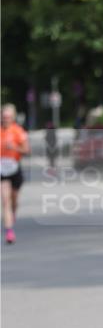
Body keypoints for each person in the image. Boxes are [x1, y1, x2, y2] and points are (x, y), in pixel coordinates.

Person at [1, 103, 30, 244]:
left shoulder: (18, 131)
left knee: (14, 199)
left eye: (8, 117)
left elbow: (27, 150)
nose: (5, 119)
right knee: (5, 200)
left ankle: (12, 214)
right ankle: (9, 231)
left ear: (13, 118)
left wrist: (15, 147)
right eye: (3, 117)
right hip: (1, 170)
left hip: (14, 168)